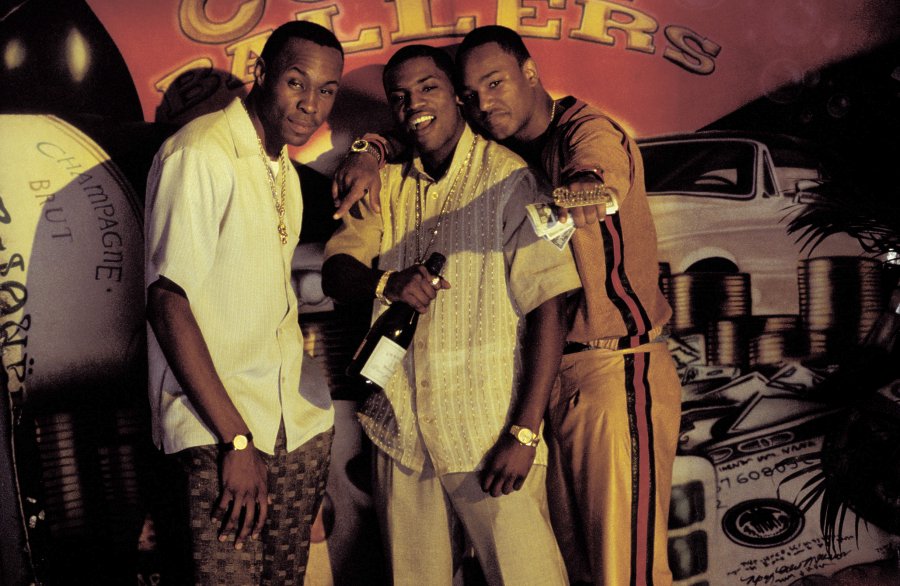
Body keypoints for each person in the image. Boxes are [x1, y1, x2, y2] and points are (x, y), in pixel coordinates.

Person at [332, 26, 683, 586]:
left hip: (611, 367)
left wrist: (581, 187)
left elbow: (596, 171)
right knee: (578, 567)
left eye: (495, 84)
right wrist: (367, 149)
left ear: (531, 72)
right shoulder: (496, 149)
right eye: (472, 93)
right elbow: (414, 129)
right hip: (544, 385)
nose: (485, 102)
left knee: (624, 568)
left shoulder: (579, 133)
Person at [321, 44, 580, 585]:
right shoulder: (384, 183)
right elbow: (337, 273)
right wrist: (386, 282)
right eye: (399, 96)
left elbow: (549, 308)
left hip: (487, 434)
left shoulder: (511, 179)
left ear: (458, 96)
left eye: (428, 87)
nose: (414, 104)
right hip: (402, 436)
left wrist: (525, 433)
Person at [144, 21, 343, 585]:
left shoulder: (280, 167)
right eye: (296, 82)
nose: (310, 104)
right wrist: (237, 439)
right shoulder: (201, 152)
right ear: (261, 72)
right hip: (221, 432)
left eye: (327, 90)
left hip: (294, 426)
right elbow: (168, 301)